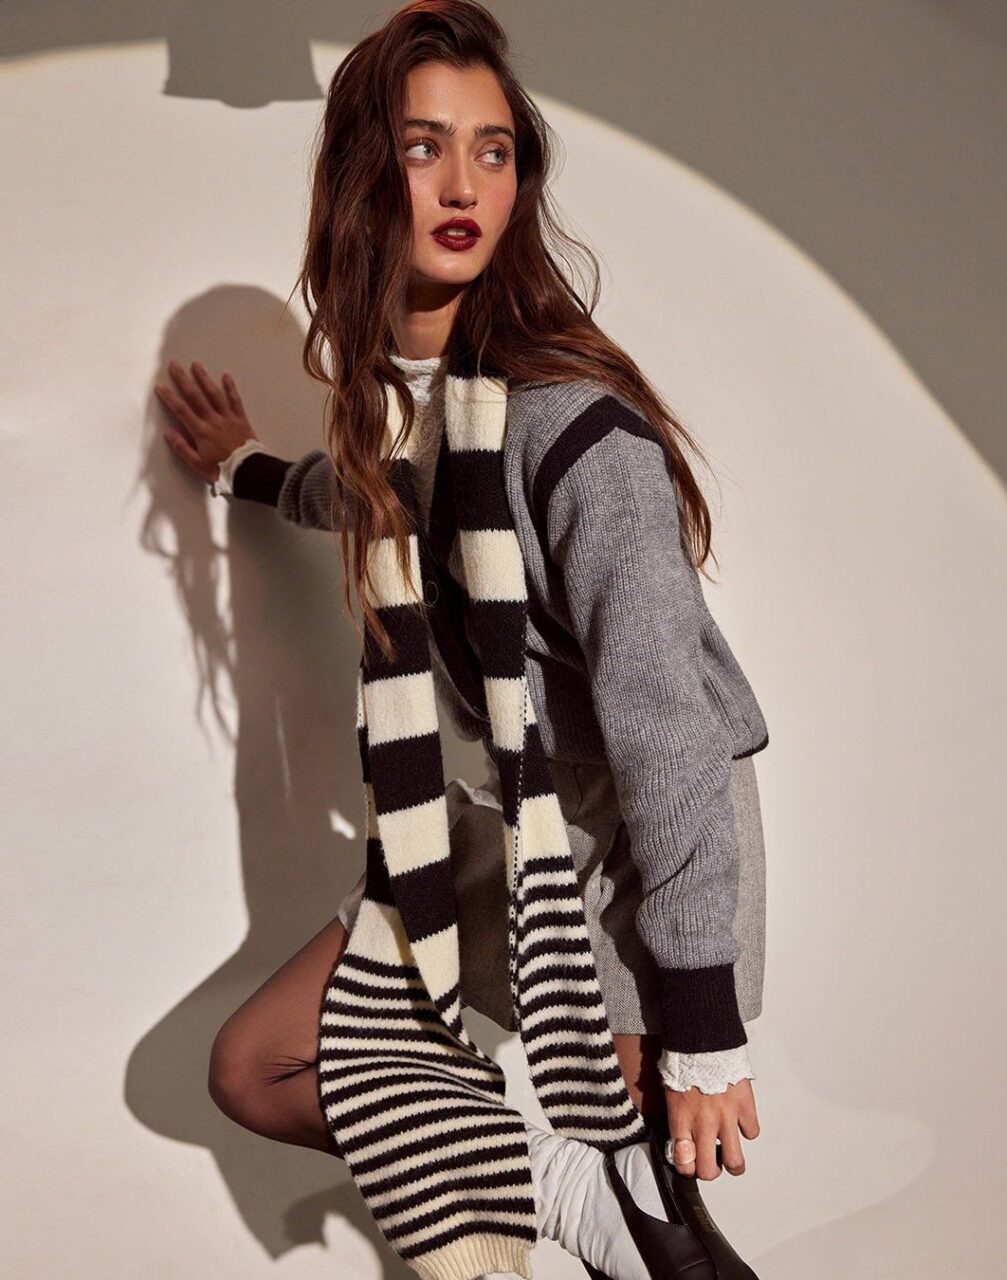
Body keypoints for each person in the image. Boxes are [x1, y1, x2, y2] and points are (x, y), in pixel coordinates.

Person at [156, 3, 768, 1277]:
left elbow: (666, 726)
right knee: (257, 1062)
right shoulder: (395, 414)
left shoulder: (573, 426)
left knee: (665, 1248)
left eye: (493, 149)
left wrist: (698, 1020)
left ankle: (621, 1200)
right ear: (363, 173)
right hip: (497, 824)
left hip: (629, 853)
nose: (462, 185)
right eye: (424, 145)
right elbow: (378, 500)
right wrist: (245, 472)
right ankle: (577, 1187)